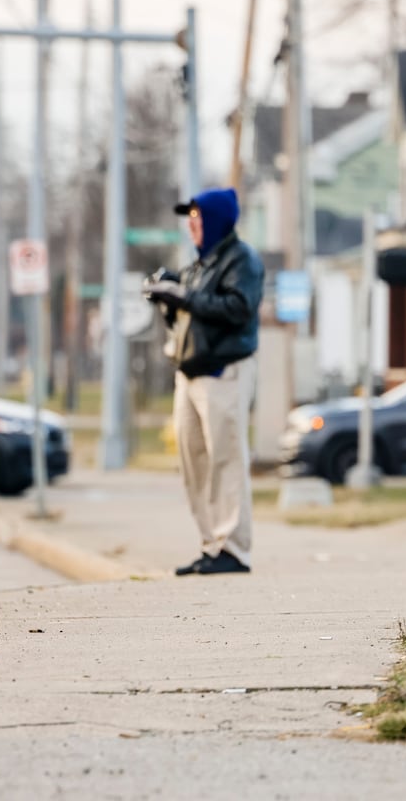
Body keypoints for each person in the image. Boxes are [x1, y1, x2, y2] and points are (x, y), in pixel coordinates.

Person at [145, 187, 264, 577]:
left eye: (198, 218)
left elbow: (237, 308)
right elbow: (188, 313)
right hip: (190, 372)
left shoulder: (241, 259)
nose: (192, 225)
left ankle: (234, 548)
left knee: (226, 458)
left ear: (216, 221)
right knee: (194, 462)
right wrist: (168, 293)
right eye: (189, 219)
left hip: (223, 371)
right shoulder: (199, 264)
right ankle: (212, 544)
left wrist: (182, 296)